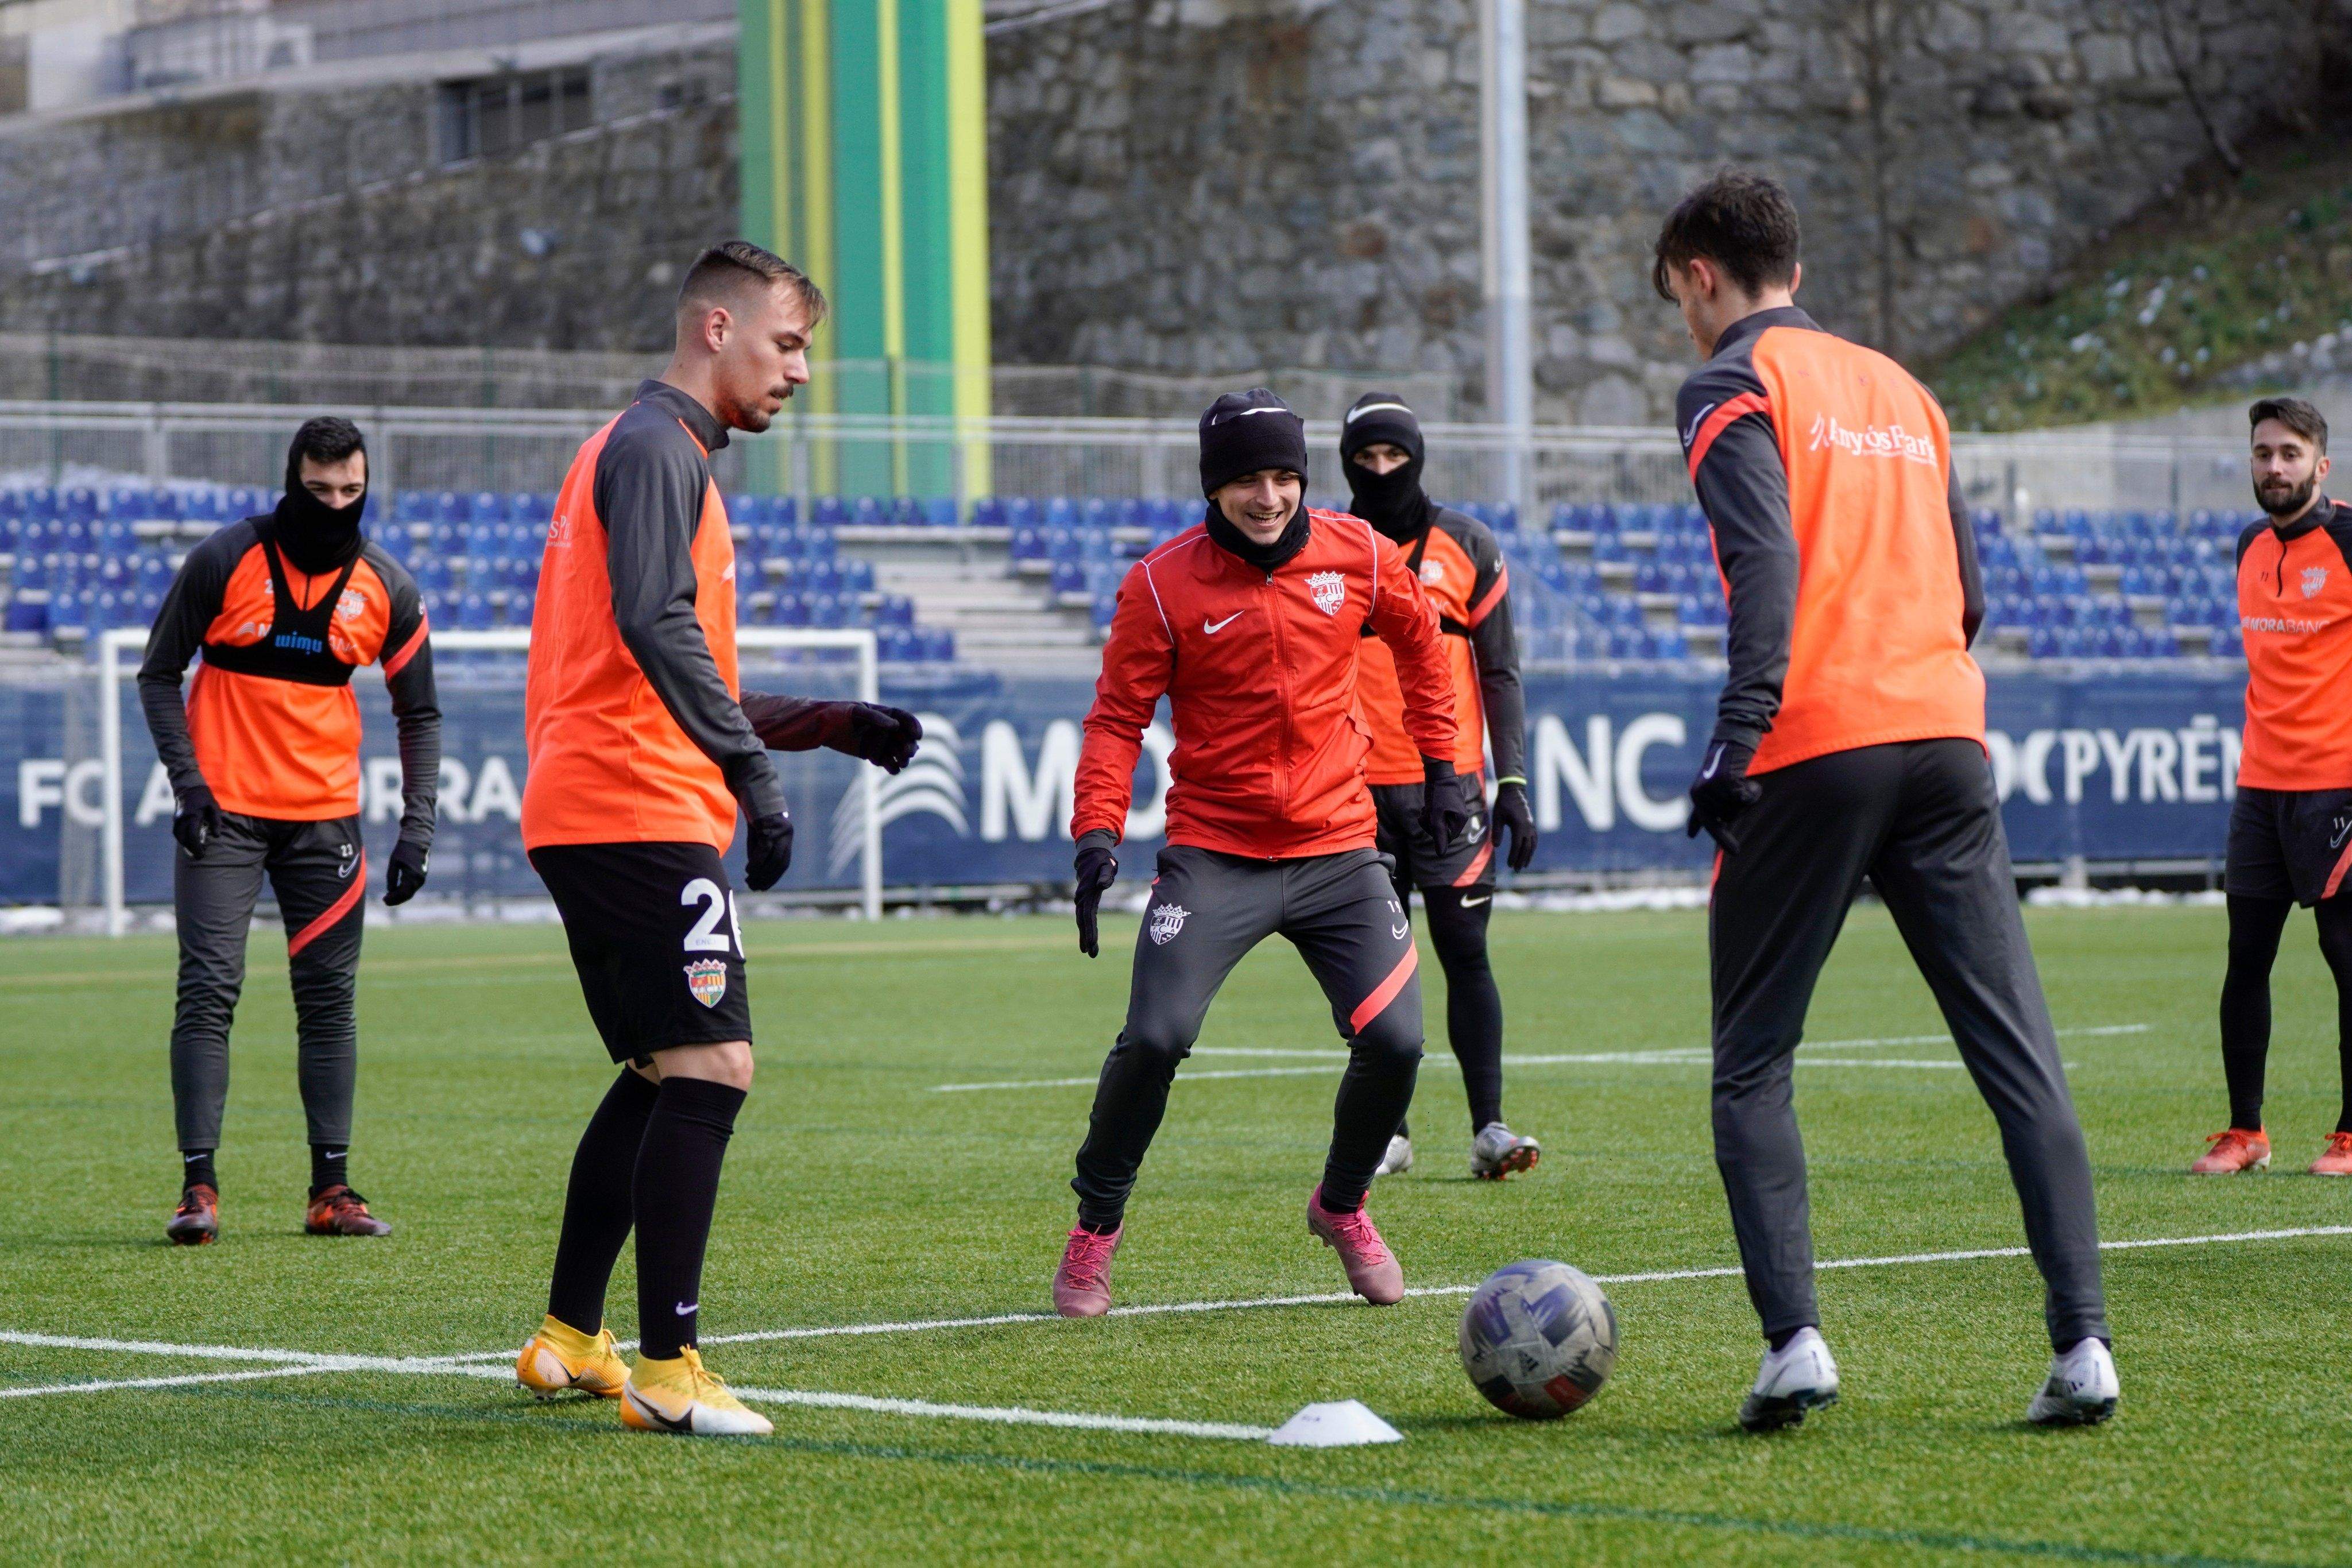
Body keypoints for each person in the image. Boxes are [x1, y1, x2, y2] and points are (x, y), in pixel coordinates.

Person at [1655, 171, 2114, 1430]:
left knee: (1752, 1061)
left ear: (1701, 276)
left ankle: (1794, 1342)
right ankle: (2084, 1346)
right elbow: (1969, 592)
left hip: (1813, 741)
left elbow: (1766, 561)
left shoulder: (1729, 382)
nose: (1682, 319)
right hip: (1946, 738)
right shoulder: (1906, 391)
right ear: (1795, 271)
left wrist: (1736, 736)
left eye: (1677, 296)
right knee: (2018, 1056)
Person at [508, 241, 921, 1437]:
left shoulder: (639, 448)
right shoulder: (655, 449)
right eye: (787, 344)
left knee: (662, 1070)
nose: (800, 372)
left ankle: (568, 1338)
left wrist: (823, 723)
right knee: (713, 1066)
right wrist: (752, 771)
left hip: (603, 801)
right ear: (715, 328)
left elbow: (662, 658)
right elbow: (654, 622)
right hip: (635, 805)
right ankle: (670, 1372)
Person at [1051, 387, 1476, 1318]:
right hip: (1216, 852)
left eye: (1285, 475)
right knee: (1155, 1039)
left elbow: (1423, 645)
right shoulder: (1160, 585)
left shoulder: (1360, 554)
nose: (1270, 496)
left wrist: (1444, 767)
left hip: (1339, 849)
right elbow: (1117, 719)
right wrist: (1097, 832)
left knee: (1398, 1041)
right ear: (1215, 486)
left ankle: (1343, 1205)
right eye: (1248, 479)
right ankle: (1095, 1227)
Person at [140, 417, 439, 1246]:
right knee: (208, 990)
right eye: (319, 490)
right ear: (291, 480)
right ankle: (198, 1190)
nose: (336, 504)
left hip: (326, 820)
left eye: (352, 491)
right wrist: (189, 786)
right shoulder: (224, 559)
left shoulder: (388, 586)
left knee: (330, 1002)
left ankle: (330, 1192)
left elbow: (420, 713)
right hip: (224, 815)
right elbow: (158, 674)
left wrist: (418, 828)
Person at [1338, 392, 1541, 1182]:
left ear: (1418, 458)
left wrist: (1512, 781)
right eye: (1366, 458)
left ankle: (1489, 1127)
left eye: (1395, 456)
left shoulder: (1471, 545)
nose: (1382, 469)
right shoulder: (1324, 546)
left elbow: (1501, 670)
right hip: (1352, 795)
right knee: (1374, 968)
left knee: (1464, 950)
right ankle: (1390, 1134)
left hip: (1449, 791)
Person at [2191, 397, 2352, 1178]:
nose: (2275, 467)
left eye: (2290, 454)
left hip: (2339, 787)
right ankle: (2244, 1131)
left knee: (2346, 957)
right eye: (2263, 453)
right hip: (2260, 786)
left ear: (2322, 464)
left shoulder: (2350, 539)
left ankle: (2351, 1134)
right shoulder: (2249, 544)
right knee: (2245, 959)